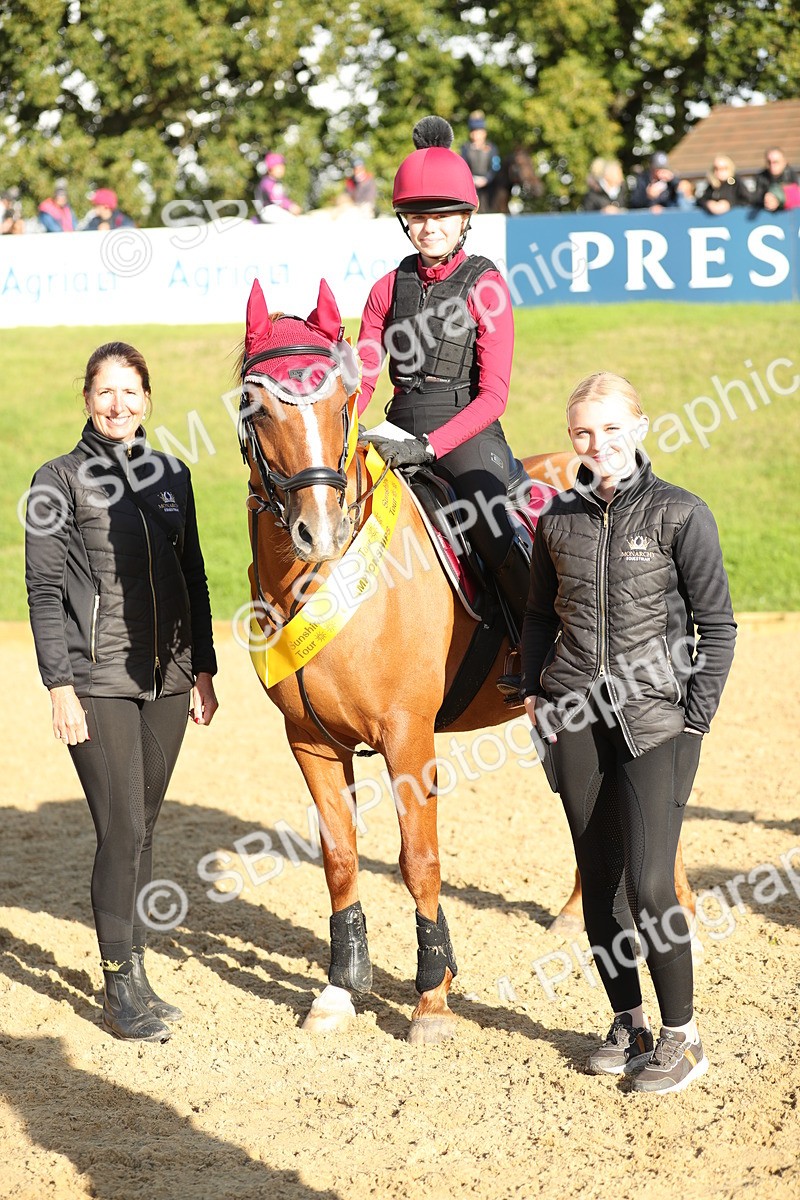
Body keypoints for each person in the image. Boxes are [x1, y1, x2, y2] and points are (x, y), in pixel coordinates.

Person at [522, 371, 736, 1094]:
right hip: (574, 718)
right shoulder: (557, 518)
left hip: (657, 722)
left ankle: (683, 1038)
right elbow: (539, 616)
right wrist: (533, 693)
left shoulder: (682, 513)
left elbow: (718, 628)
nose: (598, 444)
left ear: (639, 427)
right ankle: (630, 1024)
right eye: (583, 432)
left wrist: (695, 717)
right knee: (601, 884)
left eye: (612, 428)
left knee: (649, 883)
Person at [25, 342, 218, 1043]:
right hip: (96, 679)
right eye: (105, 392)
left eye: (130, 391)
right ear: (87, 399)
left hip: (168, 679)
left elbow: (193, 575)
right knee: (122, 828)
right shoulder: (56, 480)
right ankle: (117, 988)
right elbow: (43, 591)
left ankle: (135, 973)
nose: (118, 404)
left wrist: (203, 668)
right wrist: (59, 685)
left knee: (145, 824)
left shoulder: (173, 475)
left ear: (146, 399)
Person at [357, 115, 528, 693]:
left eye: (441, 216)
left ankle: (534, 648)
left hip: (466, 434)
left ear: (464, 220)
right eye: (418, 216)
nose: (428, 227)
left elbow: (494, 395)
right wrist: (346, 424)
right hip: (396, 428)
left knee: (490, 524)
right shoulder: (385, 288)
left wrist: (430, 447)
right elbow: (364, 375)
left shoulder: (486, 285)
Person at [459, 111, 501, 213]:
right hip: (471, 186)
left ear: (484, 133)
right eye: (474, 132)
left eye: (479, 132)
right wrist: (472, 180)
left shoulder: (492, 148)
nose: (476, 135)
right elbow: (463, 166)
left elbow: (496, 166)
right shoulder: (465, 148)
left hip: (489, 187)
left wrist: (487, 179)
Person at [254, 152, 302, 222]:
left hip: (273, 211)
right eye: (278, 167)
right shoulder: (267, 182)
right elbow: (276, 198)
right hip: (267, 211)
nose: (282, 169)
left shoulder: (275, 182)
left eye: (282, 166)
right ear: (270, 169)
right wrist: (290, 206)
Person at [752, 147, 799, 211]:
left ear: (784, 162)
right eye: (769, 162)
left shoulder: (791, 174)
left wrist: (777, 199)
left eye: (775, 162)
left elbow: (795, 196)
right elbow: (756, 199)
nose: (772, 166)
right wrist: (766, 201)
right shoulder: (761, 177)